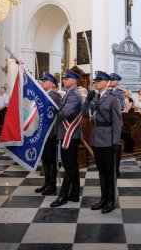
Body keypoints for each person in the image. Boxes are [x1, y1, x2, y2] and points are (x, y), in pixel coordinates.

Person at [82, 71, 122, 214]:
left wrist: (116, 142)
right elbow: (85, 114)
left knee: (110, 173)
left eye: (98, 81)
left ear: (105, 82)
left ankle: (111, 201)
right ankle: (103, 199)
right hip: (96, 138)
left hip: (108, 139)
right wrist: (87, 100)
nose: (96, 83)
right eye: (95, 81)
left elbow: (118, 121)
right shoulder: (95, 97)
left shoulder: (113, 98)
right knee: (101, 172)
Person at [50, 69, 82, 207]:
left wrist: (54, 113)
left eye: (67, 78)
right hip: (68, 133)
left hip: (70, 134)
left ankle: (62, 196)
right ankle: (74, 194)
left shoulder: (74, 94)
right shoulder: (69, 93)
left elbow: (65, 113)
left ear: (73, 81)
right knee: (72, 165)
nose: (64, 80)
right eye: (64, 78)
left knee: (68, 165)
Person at [35, 73, 63, 195]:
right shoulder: (42, 95)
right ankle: (46, 183)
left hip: (51, 133)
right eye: (42, 81)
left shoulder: (55, 96)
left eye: (45, 81)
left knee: (51, 160)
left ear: (52, 84)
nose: (42, 82)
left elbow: (60, 113)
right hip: (42, 132)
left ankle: (52, 185)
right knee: (45, 159)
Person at [109, 73, 125, 177]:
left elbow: (122, 107)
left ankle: (116, 169)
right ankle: (110, 168)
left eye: (113, 80)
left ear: (117, 81)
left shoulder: (120, 92)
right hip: (107, 122)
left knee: (116, 145)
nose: (110, 81)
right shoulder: (108, 91)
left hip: (116, 121)